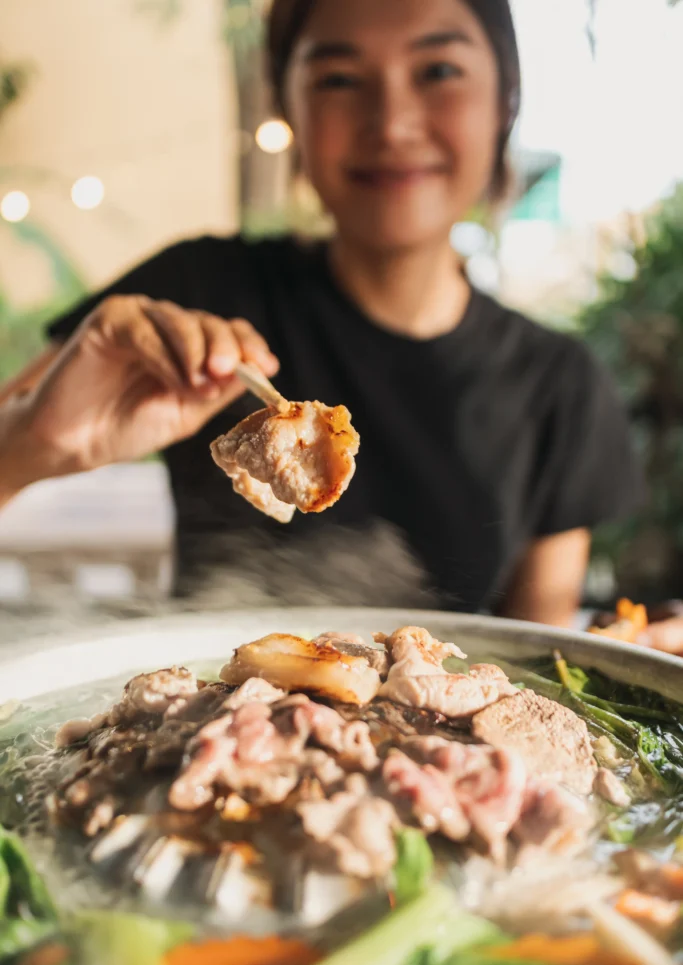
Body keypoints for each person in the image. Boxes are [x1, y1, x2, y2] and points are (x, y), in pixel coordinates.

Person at [0, 0, 642, 623]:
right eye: (338, 79)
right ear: (290, 111)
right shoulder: (194, 291)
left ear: (507, 98)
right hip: (206, 722)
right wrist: (31, 446)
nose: (391, 123)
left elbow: (538, 671)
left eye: (438, 70)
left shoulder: (561, 385)